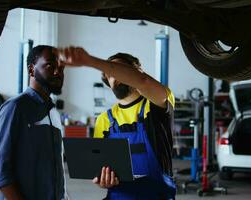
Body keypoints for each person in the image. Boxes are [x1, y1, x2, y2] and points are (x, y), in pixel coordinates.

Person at [59, 47, 176, 199]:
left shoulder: (157, 103)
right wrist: (102, 180)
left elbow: (143, 81)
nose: (114, 76)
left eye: (120, 70)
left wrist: (89, 60)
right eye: (109, 74)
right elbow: (98, 168)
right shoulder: (104, 119)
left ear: (137, 70)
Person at [0, 45, 67, 200]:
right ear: (32, 70)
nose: (58, 72)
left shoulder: (53, 113)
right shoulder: (15, 108)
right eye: (50, 65)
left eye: (61, 67)